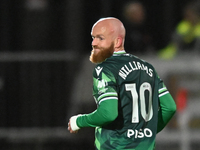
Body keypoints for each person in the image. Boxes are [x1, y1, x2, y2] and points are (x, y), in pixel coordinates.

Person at [68, 17, 176, 150]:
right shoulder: (147, 68)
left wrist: (79, 121)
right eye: (93, 38)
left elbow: (108, 114)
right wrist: (146, 132)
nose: (94, 43)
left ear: (117, 41)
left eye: (100, 38)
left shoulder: (106, 69)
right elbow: (170, 107)